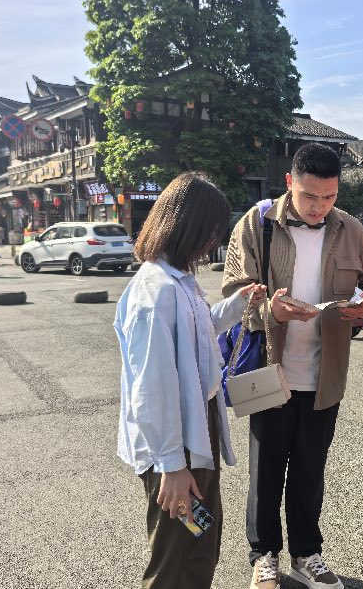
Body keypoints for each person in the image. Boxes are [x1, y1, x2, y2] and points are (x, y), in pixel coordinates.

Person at [223, 142, 363, 589]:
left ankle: (307, 553)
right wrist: (270, 312)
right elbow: (233, 295)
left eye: (330, 198)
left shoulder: (352, 231)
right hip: (270, 373)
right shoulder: (256, 226)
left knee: (311, 470)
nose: (319, 207)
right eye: (310, 196)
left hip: (325, 373)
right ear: (290, 182)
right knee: (267, 470)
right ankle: (264, 555)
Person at [115, 172, 266, 589]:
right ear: (189, 228)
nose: (212, 243)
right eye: (211, 232)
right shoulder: (155, 292)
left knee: (199, 541)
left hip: (192, 431)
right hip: (176, 440)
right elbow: (152, 389)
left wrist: (236, 305)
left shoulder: (177, 280)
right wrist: (172, 466)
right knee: (176, 559)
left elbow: (197, 336)